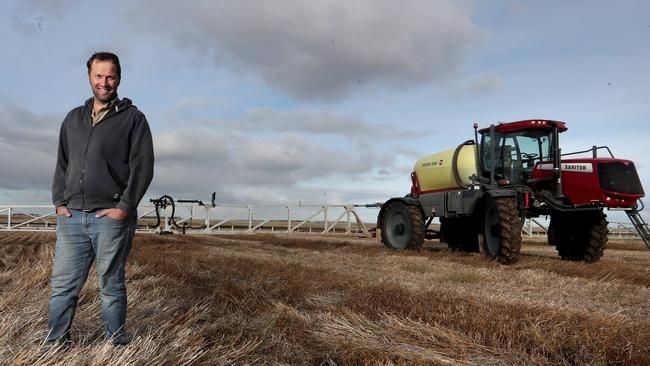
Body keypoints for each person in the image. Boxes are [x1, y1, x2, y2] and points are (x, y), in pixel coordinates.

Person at [46, 52, 154, 346]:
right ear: (89, 77)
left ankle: (116, 344)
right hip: (72, 217)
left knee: (111, 285)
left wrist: (124, 208)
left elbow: (142, 167)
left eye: (110, 76)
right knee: (63, 286)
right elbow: (62, 163)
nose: (104, 82)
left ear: (119, 79)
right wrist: (59, 201)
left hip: (110, 217)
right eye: (98, 75)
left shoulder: (133, 119)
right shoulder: (73, 118)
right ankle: (55, 344)